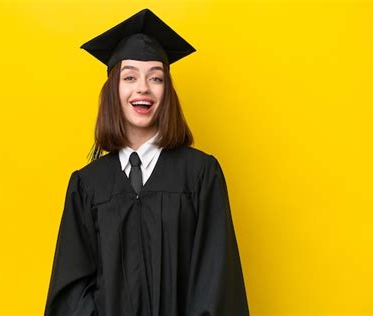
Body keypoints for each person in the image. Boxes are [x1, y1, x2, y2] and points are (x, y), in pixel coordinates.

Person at [44, 8, 249, 316]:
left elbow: (216, 281)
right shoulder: (87, 185)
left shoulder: (200, 175)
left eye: (156, 78)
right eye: (129, 77)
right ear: (114, 89)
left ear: (167, 91)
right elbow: (71, 289)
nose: (143, 88)